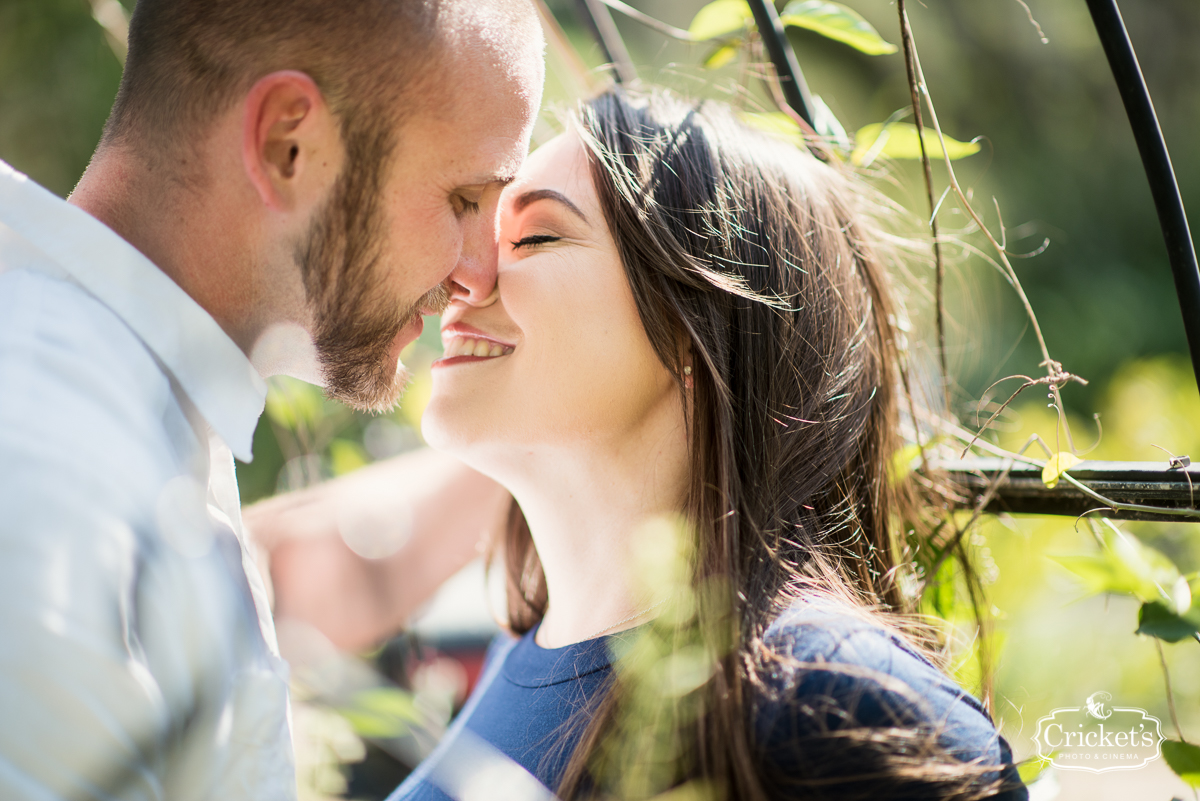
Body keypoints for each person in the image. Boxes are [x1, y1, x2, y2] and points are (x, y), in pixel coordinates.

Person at [385, 88, 1029, 800]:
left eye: (534, 237)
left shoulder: (831, 705)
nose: (460, 275)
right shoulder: (520, 652)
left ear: (697, 327)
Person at [0, 0, 543, 798]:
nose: (479, 273)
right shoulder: (67, 492)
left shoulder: (125, 403)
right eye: (464, 198)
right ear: (289, 143)